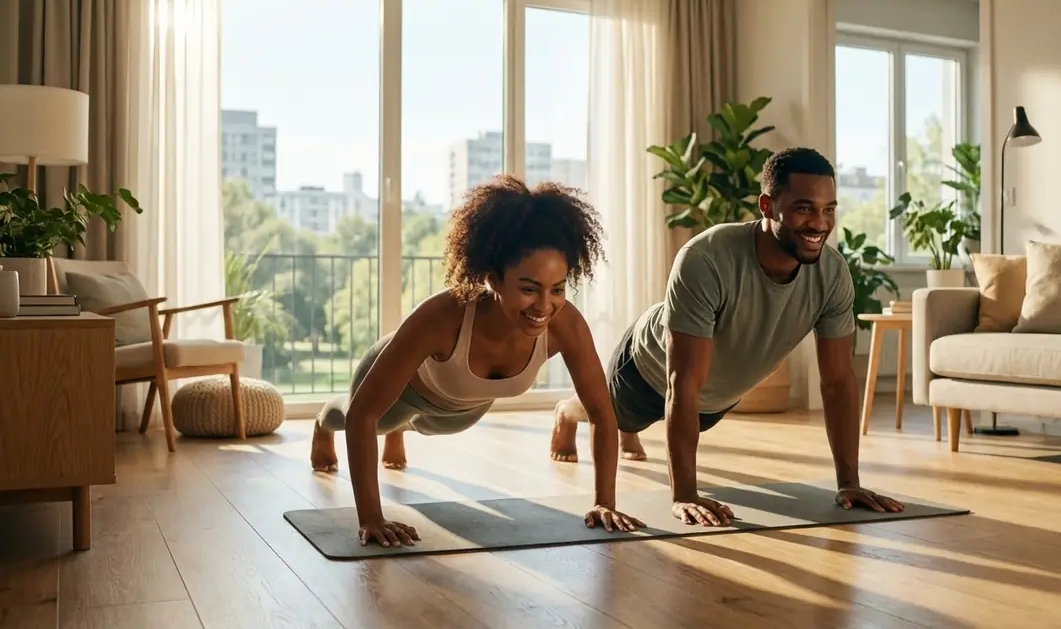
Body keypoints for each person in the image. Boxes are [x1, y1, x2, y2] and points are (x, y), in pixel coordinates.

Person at [549, 147, 905, 527]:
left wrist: (849, 483)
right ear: (767, 206)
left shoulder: (832, 275)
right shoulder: (706, 257)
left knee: (648, 422)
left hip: (713, 399)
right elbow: (681, 381)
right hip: (648, 369)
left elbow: (837, 381)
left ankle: (629, 433)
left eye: (828, 209)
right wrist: (684, 494)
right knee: (608, 415)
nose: (819, 223)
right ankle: (565, 415)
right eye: (804, 208)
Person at [311, 174, 645, 548]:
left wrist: (604, 502)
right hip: (404, 390)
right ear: (492, 280)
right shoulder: (442, 316)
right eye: (529, 289)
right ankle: (323, 422)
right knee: (369, 419)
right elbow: (362, 415)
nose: (545, 306)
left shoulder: (565, 324)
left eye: (558, 289)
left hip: (461, 408)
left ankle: (400, 434)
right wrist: (371, 517)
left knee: (428, 426)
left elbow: (601, 412)